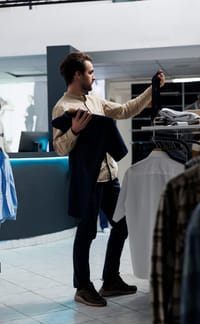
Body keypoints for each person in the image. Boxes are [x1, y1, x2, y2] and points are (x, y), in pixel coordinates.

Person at [52, 51, 165, 307]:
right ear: (77, 75)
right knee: (87, 232)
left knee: (123, 224)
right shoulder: (62, 107)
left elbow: (126, 110)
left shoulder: (95, 102)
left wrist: (151, 89)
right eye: (90, 72)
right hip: (88, 180)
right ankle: (82, 286)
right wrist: (74, 130)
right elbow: (59, 148)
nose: (93, 76)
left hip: (110, 176)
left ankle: (111, 279)